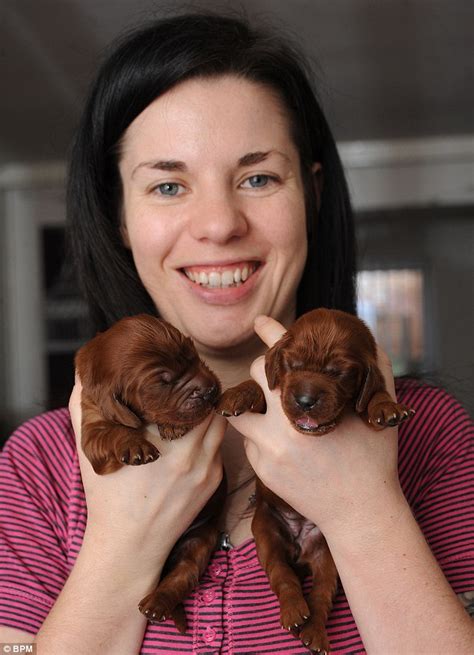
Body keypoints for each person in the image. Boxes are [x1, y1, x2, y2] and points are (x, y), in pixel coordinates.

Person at [0, 11, 472, 655]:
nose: (219, 224)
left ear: (310, 193)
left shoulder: (430, 437)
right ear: (119, 218)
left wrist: (365, 511)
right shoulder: (37, 472)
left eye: (257, 178)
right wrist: (121, 549)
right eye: (168, 185)